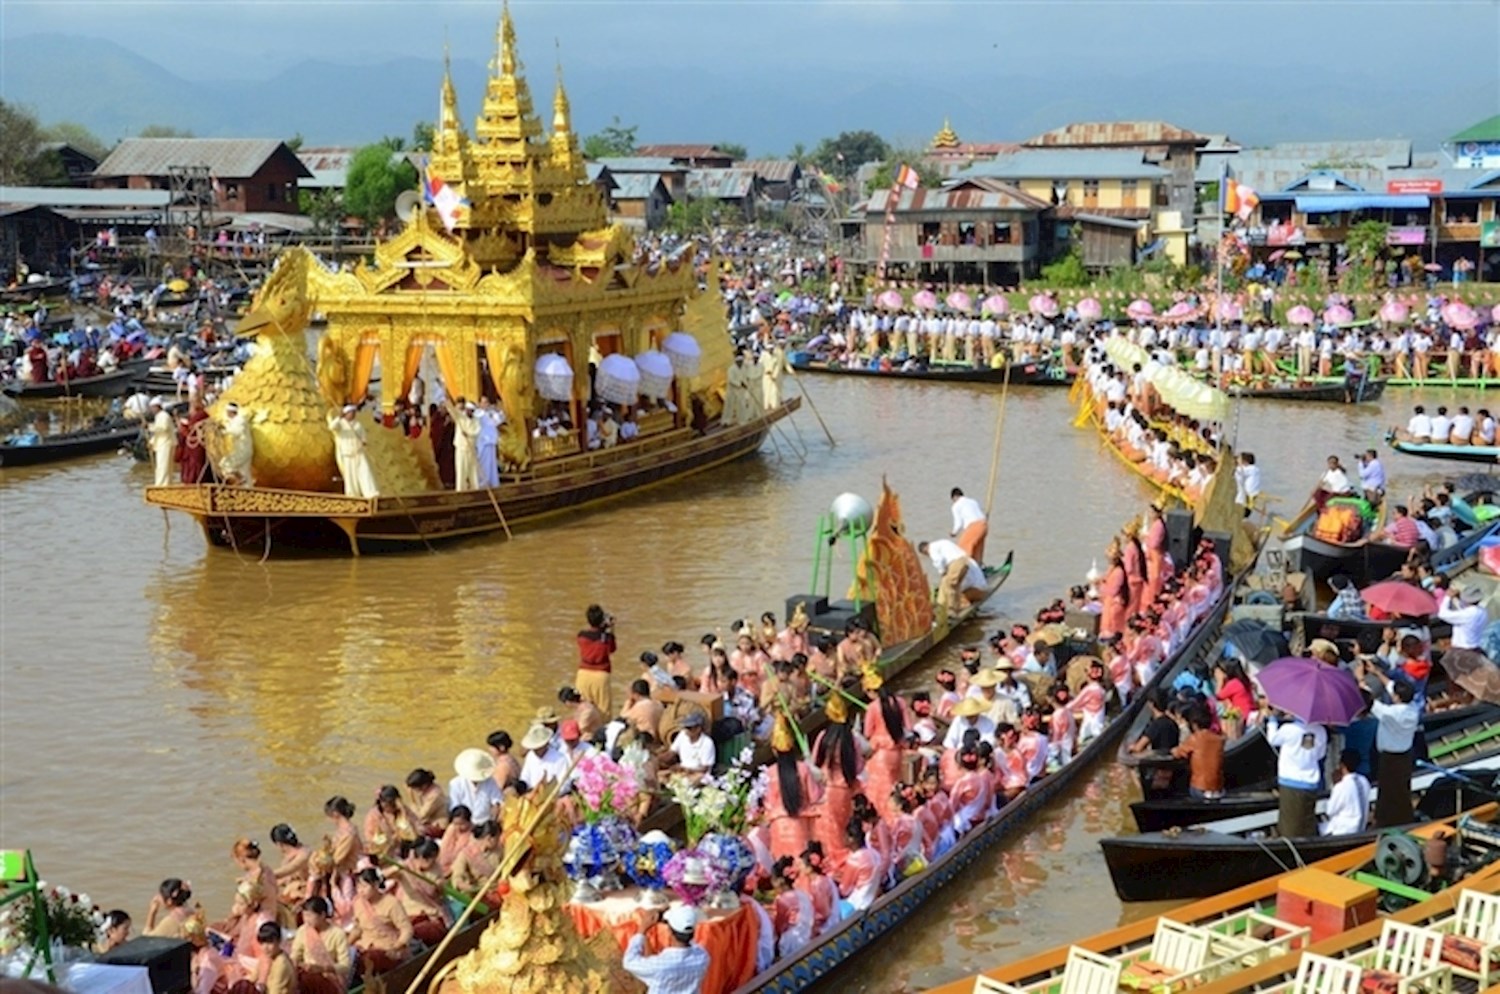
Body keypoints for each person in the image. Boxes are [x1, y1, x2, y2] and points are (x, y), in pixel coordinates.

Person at [622, 903, 709, 994]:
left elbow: (629, 961)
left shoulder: (659, 965)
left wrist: (642, 929)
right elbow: (691, 941)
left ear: (670, 931)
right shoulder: (702, 957)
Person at [1267, 711, 1326, 838]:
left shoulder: (1289, 729)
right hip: (1310, 781)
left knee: (1290, 823)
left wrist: (1272, 720)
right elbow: (1320, 754)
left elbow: (1272, 739)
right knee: (1307, 820)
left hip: (1291, 780)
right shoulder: (1321, 731)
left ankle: (1290, 846)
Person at [1371, 678, 1419, 828]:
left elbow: (1371, 702)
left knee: (1387, 791)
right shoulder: (1413, 709)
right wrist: (1377, 672)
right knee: (1402, 790)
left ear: (1397, 697)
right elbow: (1391, 686)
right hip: (1405, 755)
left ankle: (1386, 822)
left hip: (1390, 758)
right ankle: (1404, 818)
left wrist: (1360, 681)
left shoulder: (1391, 713)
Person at [348, 868, 412, 974]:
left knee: (370, 959)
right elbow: (358, 928)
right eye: (358, 887)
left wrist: (398, 945)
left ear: (376, 885)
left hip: (386, 948)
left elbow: (406, 929)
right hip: (365, 946)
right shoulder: (358, 903)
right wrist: (346, 945)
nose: (360, 891)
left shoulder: (391, 903)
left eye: (364, 886)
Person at [290, 897, 351, 994]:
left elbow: (345, 966)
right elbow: (295, 956)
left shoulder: (337, 934)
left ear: (322, 915)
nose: (306, 920)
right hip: (306, 975)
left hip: (330, 980)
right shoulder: (302, 931)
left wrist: (322, 968)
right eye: (304, 916)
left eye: (309, 916)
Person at [918, 538, 987, 615]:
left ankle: (951, 610)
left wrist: (942, 572)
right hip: (966, 565)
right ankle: (945, 606)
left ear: (925, 550)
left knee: (950, 585)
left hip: (958, 564)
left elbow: (938, 561)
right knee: (951, 585)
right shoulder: (943, 543)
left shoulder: (932, 548)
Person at [1171, 707, 1225, 799]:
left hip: (1200, 787)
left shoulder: (1195, 738)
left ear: (1194, 724)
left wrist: (1172, 750)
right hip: (1218, 788)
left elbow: (1177, 753)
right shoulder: (1219, 740)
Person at [327, 405, 379, 498]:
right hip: (347, 453)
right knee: (350, 476)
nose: (353, 414)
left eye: (354, 412)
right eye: (351, 412)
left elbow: (363, 437)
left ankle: (370, 493)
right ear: (346, 414)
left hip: (358, 453)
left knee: (365, 472)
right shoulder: (341, 424)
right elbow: (331, 427)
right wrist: (339, 417)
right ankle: (352, 495)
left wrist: (363, 442)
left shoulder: (358, 425)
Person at [575, 604, 616, 716]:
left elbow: (594, 635)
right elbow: (612, 649)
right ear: (602, 619)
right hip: (601, 675)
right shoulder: (606, 637)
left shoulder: (581, 636)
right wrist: (611, 629)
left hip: (583, 674)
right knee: (603, 711)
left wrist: (602, 628)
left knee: (583, 710)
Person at [1321, 748, 1371, 837]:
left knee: (1317, 827)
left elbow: (1330, 811)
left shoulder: (1342, 786)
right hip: (1361, 828)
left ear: (1342, 765)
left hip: (1344, 831)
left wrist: (1334, 785)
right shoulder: (1364, 781)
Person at [447, 748, 503, 825]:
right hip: (464, 823)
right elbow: (455, 808)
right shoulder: (455, 784)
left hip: (485, 822)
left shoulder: (490, 781)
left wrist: (494, 819)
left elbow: (497, 801)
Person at [662, 711, 715, 780]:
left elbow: (705, 769)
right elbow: (671, 753)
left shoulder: (707, 743)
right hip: (682, 771)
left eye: (689, 728)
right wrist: (657, 759)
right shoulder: (682, 735)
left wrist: (687, 770)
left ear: (698, 729)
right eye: (685, 728)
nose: (686, 731)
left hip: (698, 774)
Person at [253, 921, 296, 994]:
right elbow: (253, 978)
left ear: (279, 941)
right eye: (262, 943)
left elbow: (276, 991)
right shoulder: (265, 958)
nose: (265, 947)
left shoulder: (281, 964)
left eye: (270, 942)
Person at [949, 487, 988, 565]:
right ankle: (979, 568)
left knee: (962, 550)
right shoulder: (973, 501)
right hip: (984, 525)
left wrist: (954, 532)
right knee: (977, 551)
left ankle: (966, 571)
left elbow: (958, 523)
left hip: (974, 526)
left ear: (954, 497)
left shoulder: (956, 505)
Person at [448, 401, 481, 491]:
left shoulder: (476, 421)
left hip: (471, 449)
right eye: (467, 410)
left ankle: (475, 488)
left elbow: (476, 431)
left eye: (471, 411)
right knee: (461, 470)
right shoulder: (461, 418)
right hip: (461, 448)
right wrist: (448, 402)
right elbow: (453, 411)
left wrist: (468, 433)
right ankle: (460, 489)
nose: (468, 412)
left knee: (472, 470)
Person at [219, 402, 254, 486]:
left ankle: (241, 479)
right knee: (244, 471)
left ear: (231, 412)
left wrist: (223, 432)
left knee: (225, 464)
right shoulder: (234, 421)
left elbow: (237, 431)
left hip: (243, 451)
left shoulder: (240, 420)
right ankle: (246, 490)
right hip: (241, 450)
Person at [178, 396, 210, 484]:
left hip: (198, 446)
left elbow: (192, 431)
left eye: (194, 402)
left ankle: (195, 481)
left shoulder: (202, 415)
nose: (191, 404)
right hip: (189, 446)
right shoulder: (192, 415)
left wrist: (183, 428)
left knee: (196, 464)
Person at [147, 397, 177, 487]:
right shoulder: (158, 416)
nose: (151, 410)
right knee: (160, 467)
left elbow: (163, 429)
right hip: (161, 445)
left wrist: (149, 427)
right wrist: (151, 442)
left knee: (164, 467)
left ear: (157, 407)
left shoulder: (164, 416)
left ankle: (164, 485)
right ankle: (160, 484)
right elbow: (158, 434)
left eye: (152, 407)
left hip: (166, 445)